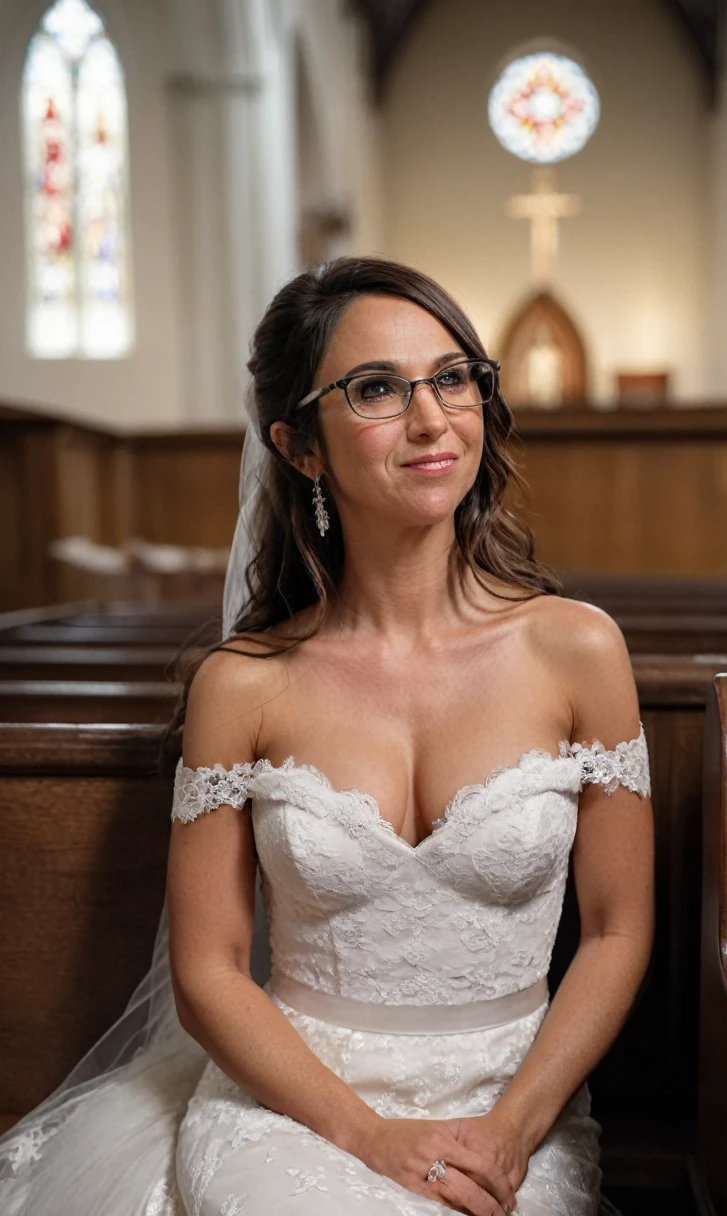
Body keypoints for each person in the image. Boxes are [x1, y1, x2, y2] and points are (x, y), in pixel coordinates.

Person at [0, 256, 654, 1216]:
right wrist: (367, 1136)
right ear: (300, 445)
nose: (431, 418)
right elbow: (210, 971)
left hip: (512, 1106)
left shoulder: (578, 653)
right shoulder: (245, 688)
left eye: (452, 377)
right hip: (292, 1108)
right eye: (377, 389)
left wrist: (517, 1127)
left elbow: (615, 928)